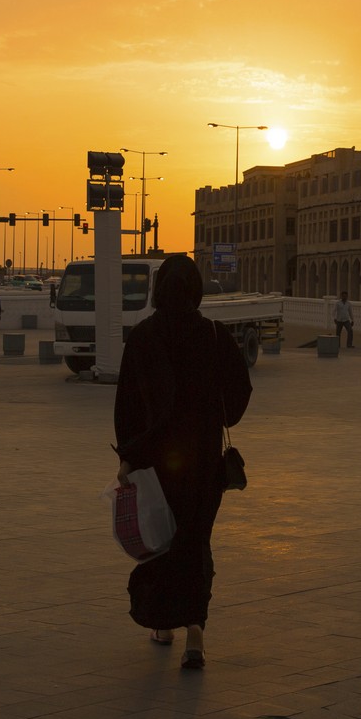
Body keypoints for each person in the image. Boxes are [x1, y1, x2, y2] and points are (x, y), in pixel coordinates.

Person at [114, 254, 252, 671]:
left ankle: (164, 625)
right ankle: (196, 632)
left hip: (156, 466)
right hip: (202, 464)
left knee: (163, 545)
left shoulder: (142, 337)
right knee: (195, 543)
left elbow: (127, 407)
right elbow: (239, 394)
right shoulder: (213, 335)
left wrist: (128, 458)